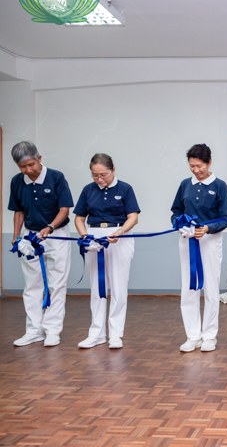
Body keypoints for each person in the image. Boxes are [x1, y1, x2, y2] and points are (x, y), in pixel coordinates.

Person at [8, 141, 73, 347]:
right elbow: (19, 211)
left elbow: (64, 209)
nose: (28, 170)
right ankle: (33, 330)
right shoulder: (17, 181)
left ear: (39, 159)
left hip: (57, 235)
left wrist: (50, 227)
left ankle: (52, 330)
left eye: (31, 165)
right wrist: (17, 236)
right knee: (32, 285)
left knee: (56, 284)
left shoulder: (56, 177)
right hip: (30, 237)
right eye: (22, 167)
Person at [73, 154, 140, 350]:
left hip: (119, 235)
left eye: (104, 175)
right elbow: (79, 218)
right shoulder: (88, 190)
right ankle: (96, 333)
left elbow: (133, 217)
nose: (100, 179)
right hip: (94, 235)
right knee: (97, 286)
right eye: (95, 175)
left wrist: (120, 231)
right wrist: (85, 235)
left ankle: (116, 334)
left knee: (118, 287)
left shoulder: (125, 189)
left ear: (113, 170)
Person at [171, 144, 227, 353]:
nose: (196, 170)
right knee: (189, 288)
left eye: (199, 166)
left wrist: (207, 228)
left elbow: (226, 218)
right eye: (192, 166)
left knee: (211, 289)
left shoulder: (220, 185)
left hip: (210, 241)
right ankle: (192, 335)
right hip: (187, 241)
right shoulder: (184, 185)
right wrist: (179, 224)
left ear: (209, 163)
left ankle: (209, 335)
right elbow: (176, 211)